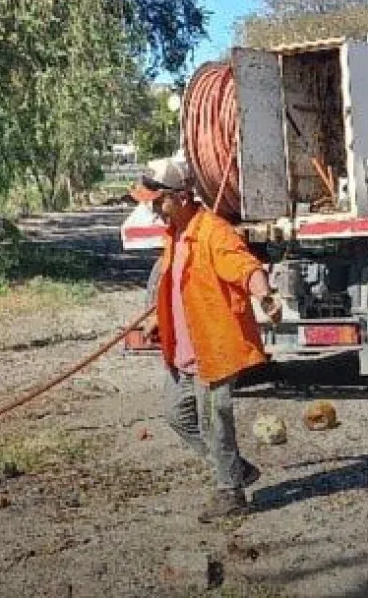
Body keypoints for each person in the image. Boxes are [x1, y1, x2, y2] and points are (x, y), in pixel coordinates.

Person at [131, 156, 282, 520]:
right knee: (177, 414)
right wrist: (156, 320)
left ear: (181, 197)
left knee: (213, 420)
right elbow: (177, 287)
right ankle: (237, 471)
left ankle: (230, 494)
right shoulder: (175, 235)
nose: (153, 211)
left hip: (213, 346)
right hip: (183, 348)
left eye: (157, 202)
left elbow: (244, 267)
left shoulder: (214, 232)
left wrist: (265, 296)